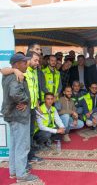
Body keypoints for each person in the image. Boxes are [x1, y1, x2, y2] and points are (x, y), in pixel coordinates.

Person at [1, 53, 39, 182]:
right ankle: (21, 175)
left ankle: (14, 172)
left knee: (15, 145)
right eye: (23, 62)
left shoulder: (8, 75)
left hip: (13, 115)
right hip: (19, 116)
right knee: (22, 146)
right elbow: (15, 93)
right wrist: (25, 100)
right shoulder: (16, 76)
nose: (26, 64)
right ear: (17, 64)